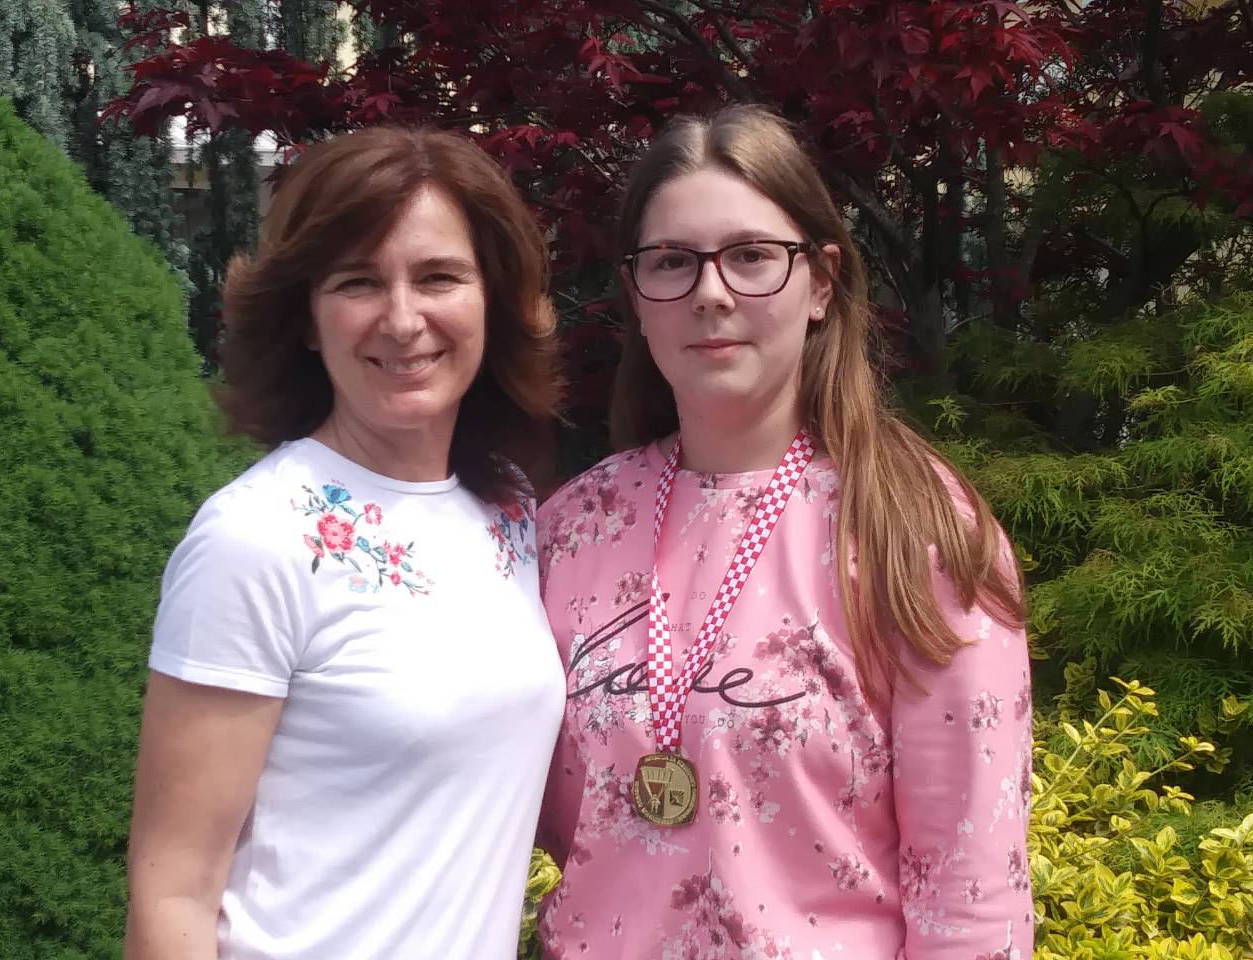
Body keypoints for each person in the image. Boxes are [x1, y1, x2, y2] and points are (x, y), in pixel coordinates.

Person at [535, 105, 1034, 960]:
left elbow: (972, 892)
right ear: (638, 296)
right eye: (672, 262)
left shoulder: (915, 529)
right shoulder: (573, 529)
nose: (711, 293)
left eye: (752, 256)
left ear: (822, 283)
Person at [124, 125, 566, 960]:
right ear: (306, 317)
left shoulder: (506, 506)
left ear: (492, 299)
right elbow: (172, 890)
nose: (402, 320)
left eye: (438, 277)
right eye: (358, 281)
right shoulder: (255, 537)